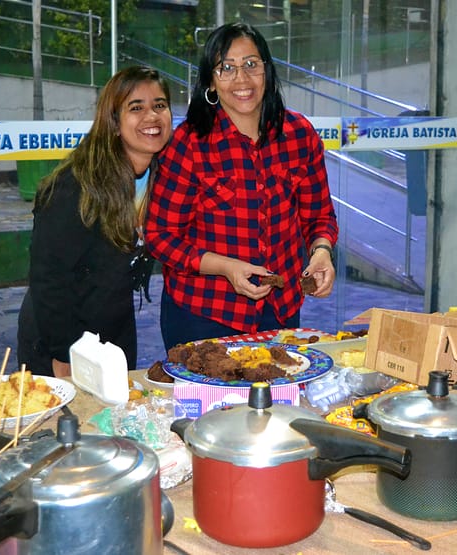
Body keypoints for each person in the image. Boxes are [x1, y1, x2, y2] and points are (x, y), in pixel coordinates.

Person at [145, 22, 338, 350]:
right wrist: (225, 268)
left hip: (280, 311)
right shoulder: (189, 143)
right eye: (226, 68)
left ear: (268, 71)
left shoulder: (299, 134)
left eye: (251, 65)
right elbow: (160, 237)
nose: (241, 79)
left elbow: (319, 216)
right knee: (210, 402)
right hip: (204, 314)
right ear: (210, 80)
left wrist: (322, 251)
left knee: (276, 400)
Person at [17, 66, 173, 377]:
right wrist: (64, 353)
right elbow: (48, 278)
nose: (151, 116)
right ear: (114, 122)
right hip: (62, 339)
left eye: (159, 105)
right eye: (136, 107)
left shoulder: (163, 176)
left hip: (114, 331)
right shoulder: (75, 186)